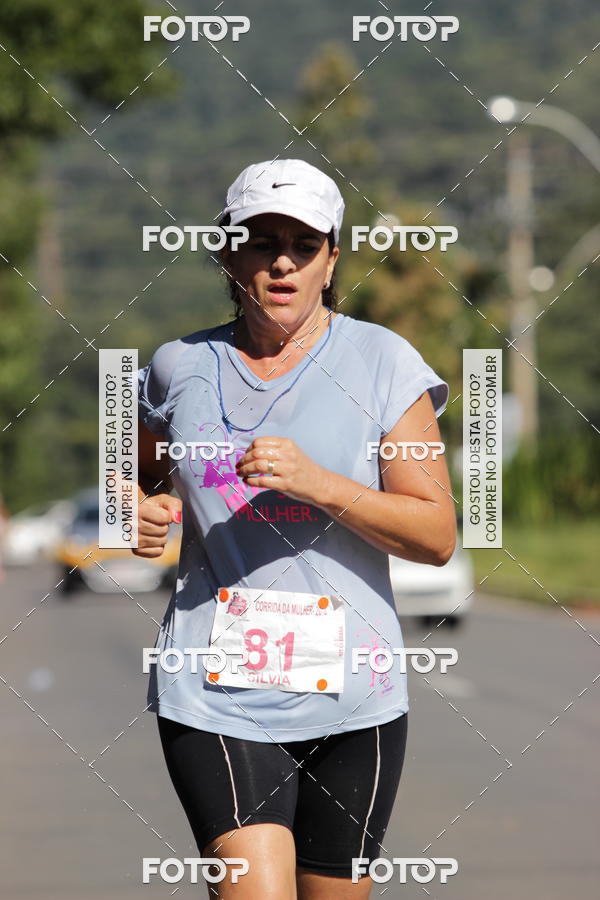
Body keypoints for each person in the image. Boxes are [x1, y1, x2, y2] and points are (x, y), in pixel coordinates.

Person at [134, 158, 456, 899]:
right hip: (216, 690)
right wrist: (141, 508)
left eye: (303, 245)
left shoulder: (383, 364)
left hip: (358, 701)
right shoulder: (176, 367)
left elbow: (435, 536)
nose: (281, 260)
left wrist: (320, 483)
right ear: (226, 251)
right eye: (259, 240)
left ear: (331, 258)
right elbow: (140, 466)